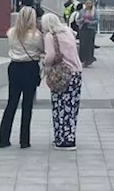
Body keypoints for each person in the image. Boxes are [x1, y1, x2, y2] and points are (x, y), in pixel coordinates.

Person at [0, 7, 43, 149]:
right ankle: (24, 140)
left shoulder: (11, 33)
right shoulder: (36, 36)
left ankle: (3, 139)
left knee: (11, 103)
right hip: (30, 68)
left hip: (14, 67)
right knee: (27, 105)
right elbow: (42, 50)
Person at [40, 13, 82, 151]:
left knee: (60, 106)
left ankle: (62, 138)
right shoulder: (68, 31)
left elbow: (50, 56)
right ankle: (70, 136)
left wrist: (44, 60)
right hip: (76, 72)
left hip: (62, 73)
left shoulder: (49, 36)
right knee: (71, 106)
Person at [75, 0, 97, 67]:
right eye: (87, 3)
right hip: (83, 29)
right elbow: (77, 20)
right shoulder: (82, 11)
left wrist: (90, 22)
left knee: (90, 45)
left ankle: (89, 60)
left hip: (91, 29)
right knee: (83, 44)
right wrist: (82, 20)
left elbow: (97, 20)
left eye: (89, 3)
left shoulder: (94, 11)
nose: (88, 5)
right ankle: (82, 60)